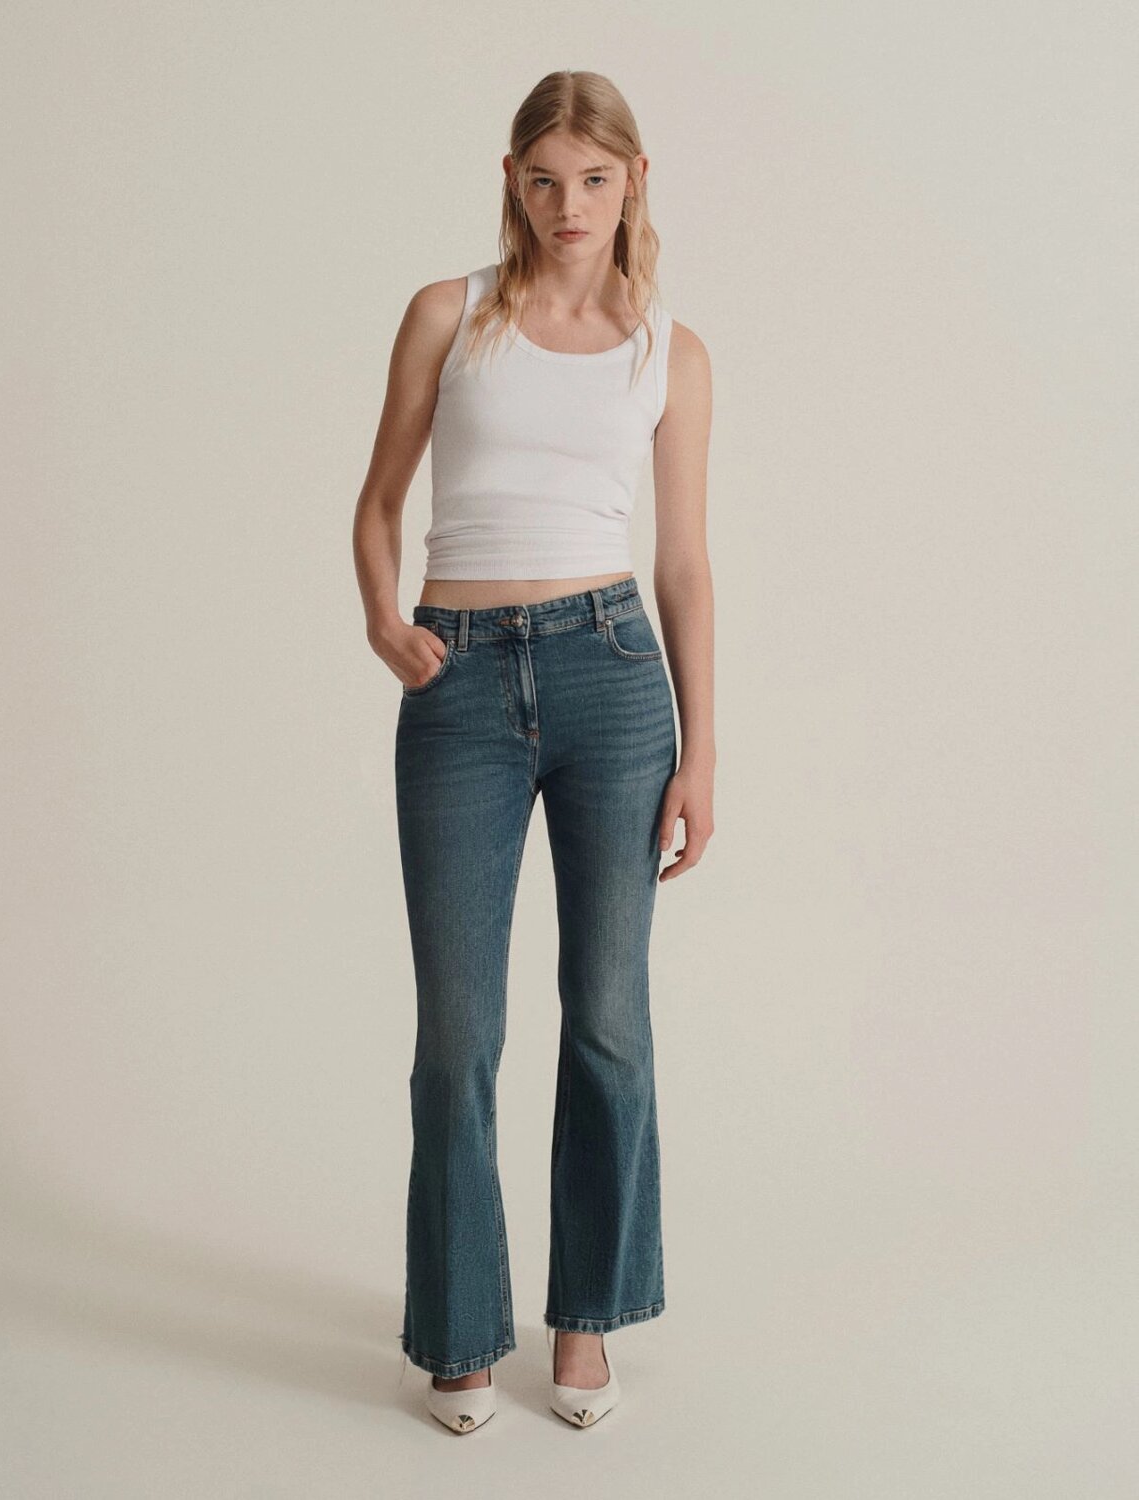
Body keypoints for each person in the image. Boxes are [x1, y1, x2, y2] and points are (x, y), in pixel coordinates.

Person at [353, 69, 714, 1432]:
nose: (571, 206)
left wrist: (704, 753)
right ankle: (457, 1326)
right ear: (513, 180)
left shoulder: (669, 351)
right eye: (547, 179)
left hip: (613, 680)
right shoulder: (449, 315)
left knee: (608, 1019)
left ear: (634, 184)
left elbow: (685, 566)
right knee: (458, 1035)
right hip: (457, 683)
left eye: (596, 180)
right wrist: (382, 620)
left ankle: (583, 1318)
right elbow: (379, 501)